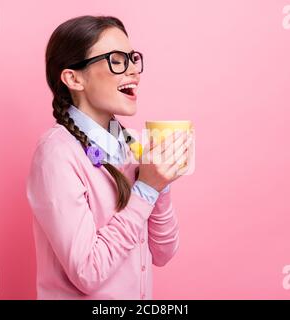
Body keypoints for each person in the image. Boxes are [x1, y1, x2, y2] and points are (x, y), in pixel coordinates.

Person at [26, 15, 192, 299]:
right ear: (74, 78)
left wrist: (160, 182)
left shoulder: (132, 146)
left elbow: (163, 253)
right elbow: (88, 273)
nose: (134, 72)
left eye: (133, 58)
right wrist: (147, 189)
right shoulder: (56, 154)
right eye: (116, 60)